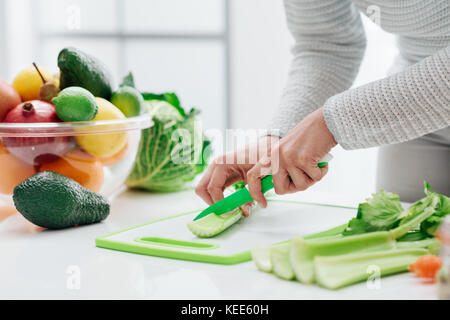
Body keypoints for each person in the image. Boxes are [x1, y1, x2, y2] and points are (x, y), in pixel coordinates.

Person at [196, 0, 450, 215]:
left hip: (418, 100)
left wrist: (331, 124)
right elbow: (327, 46)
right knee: (411, 247)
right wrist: (280, 136)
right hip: (414, 116)